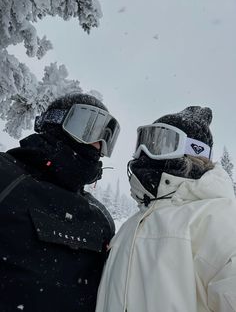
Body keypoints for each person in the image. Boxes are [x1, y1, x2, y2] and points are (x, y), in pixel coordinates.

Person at [96, 106, 236, 312]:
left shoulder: (218, 220)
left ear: (194, 151)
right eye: (143, 141)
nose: (144, 152)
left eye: (161, 142)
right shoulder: (133, 224)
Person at [0, 93, 120, 312]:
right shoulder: (6, 176)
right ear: (56, 122)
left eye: (106, 137)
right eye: (89, 128)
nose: (98, 144)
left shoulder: (100, 217)